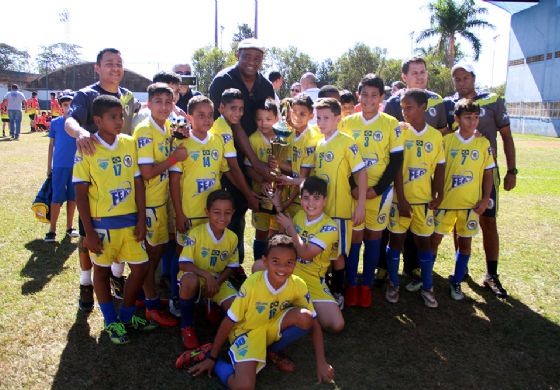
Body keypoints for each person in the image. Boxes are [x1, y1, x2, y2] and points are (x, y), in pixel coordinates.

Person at [183, 234, 335, 389]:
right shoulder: (252, 285)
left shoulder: (298, 284)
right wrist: (213, 358)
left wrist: (322, 362)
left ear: (295, 264)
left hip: (271, 326)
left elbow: (314, 322)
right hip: (247, 332)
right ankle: (212, 360)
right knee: (243, 387)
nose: (282, 268)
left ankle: (270, 351)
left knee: (306, 317)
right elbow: (230, 320)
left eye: (289, 262)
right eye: (276, 262)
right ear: (265, 261)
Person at [73, 95, 157, 344]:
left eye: (121, 116)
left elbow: (138, 182)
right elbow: (80, 192)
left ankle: (128, 314)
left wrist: (142, 219)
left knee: (141, 266)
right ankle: (111, 321)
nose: (120, 121)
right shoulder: (87, 147)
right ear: (97, 120)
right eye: (113, 117)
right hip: (102, 224)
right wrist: (88, 232)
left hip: (130, 221)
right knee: (101, 270)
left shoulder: (129, 143)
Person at [65, 48, 140, 302]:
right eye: (109, 64)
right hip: (95, 174)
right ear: (97, 68)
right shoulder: (86, 95)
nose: (115, 68)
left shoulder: (127, 97)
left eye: (119, 63)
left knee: (122, 229)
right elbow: (69, 121)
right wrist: (81, 134)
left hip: (123, 170)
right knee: (89, 233)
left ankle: (117, 276)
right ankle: (86, 281)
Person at [444, 63, 516, 298]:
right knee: (458, 221)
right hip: (458, 177)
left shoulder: (492, 99)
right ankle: (460, 271)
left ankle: (491, 274)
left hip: (485, 174)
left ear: (473, 78)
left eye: (465, 78)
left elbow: (506, 135)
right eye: (457, 79)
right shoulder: (450, 103)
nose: (461, 82)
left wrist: (512, 170)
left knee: (488, 221)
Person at [382, 56, 449, 291]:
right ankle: (389, 275)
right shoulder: (394, 110)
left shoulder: (436, 112)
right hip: (397, 193)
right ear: (405, 76)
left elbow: (440, 160)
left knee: (421, 238)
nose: (419, 76)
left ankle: (418, 275)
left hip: (422, 195)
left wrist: (438, 191)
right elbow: (394, 161)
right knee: (393, 236)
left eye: (423, 72)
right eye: (414, 72)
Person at [208, 38, 275, 270]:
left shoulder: (266, 86)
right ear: (237, 55)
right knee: (231, 214)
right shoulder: (222, 81)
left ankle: (258, 266)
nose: (251, 61)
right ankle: (231, 267)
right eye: (247, 55)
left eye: (257, 57)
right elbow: (233, 123)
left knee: (260, 213)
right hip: (228, 158)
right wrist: (255, 163)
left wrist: (265, 159)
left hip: (253, 156)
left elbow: (268, 120)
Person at [340, 74, 404, 308]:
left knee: (374, 236)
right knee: (355, 236)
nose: (368, 99)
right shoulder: (347, 123)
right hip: (354, 193)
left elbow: (396, 160)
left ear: (382, 97)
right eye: (364, 94)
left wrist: (377, 188)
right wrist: (354, 187)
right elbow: (342, 156)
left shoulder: (390, 123)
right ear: (358, 96)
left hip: (380, 192)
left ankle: (366, 285)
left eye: (374, 95)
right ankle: (351, 284)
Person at [133, 83, 188, 327]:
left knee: (157, 250)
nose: (164, 106)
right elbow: (146, 172)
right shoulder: (145, 130)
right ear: (149, 103)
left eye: (169, 101)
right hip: (150, 203)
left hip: (163, 199)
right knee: (150, 255)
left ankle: (147, 297)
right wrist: (175, 158)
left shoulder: (167, 126)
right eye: (158, 101)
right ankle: (150, 304)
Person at [431, 98, 494, 301]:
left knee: (465, 245)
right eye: (468, 118)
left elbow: (487, 174)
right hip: (446, 203)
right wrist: (436, 195)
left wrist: (485, 199)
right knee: (434, 242)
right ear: (457, 119)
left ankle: (456, 280)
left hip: (470, 206)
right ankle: (427, 279)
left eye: (476, 118)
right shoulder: (446, 141)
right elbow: (437, 170)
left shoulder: (483, 143)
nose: (473, 122)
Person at [312, 97, 367, 308]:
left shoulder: (346, 141)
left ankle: (338, 293)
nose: (321, 122)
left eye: (326, 117)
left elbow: (361, 173)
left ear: (338, 118)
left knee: (338, 254)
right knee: (322, 251)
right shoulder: (318, 144)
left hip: (340, 211)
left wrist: (360, 205)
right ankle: (322, 289)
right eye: (318, 118)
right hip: (320, 212)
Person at [274, 176, 344, 333]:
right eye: (306, 198)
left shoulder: (330, 227)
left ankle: (296, 303)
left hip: (313, 280)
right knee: (259, 266)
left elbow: (305, 254)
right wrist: (277, 203)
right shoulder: (299, 216)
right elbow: (282, 237)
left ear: (325, 200)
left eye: (316, 198)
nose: (311, 204)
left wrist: (290, 228)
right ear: (301, 199)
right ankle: (294, 303)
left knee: (336, 324)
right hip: (289, 272)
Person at [177, 190, 240, 349]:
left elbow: (232, 266)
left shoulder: (232, 237)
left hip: (219, 280)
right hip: (195, 276)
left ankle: (210, 304)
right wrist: (207, 276)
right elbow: (183, 264)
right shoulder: (196, 233)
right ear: (207, 212)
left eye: (227, 213)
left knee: (237, 310)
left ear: (233, 213)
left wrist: (217, 282)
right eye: (217, 212)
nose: (222, 217)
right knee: (189, 281)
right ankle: (187, 326)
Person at [245, 99, 279, 261]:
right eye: (259, 119)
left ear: (277, 118)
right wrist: (262, 180)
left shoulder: (284, 136)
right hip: (261, 194)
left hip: (281, 195)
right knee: (261, 231)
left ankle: (276, 264)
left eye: (268, 119)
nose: (263, 123)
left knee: (279, 230)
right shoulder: (252, 139)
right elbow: (248, 167)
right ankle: (259, 267)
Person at [45, 92, 79, 241]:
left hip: (76, 167)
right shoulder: (56, 123)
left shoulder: (79, 123)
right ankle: (52, 230)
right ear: (61, 107)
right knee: (57, 198)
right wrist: (49, 166)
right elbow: (51, 145)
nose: (68, 107)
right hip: (59, 166)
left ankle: (70, 227)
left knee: (73, 198)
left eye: (71, 104)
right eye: (65, 105)